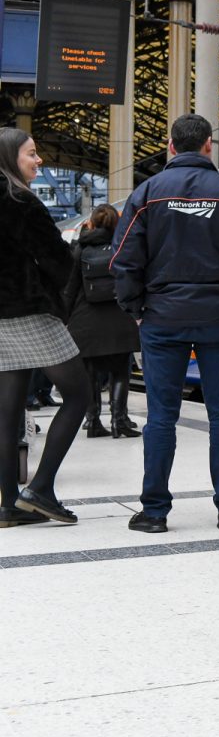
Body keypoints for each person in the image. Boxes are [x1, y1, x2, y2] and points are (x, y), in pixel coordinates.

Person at [111, 114, 219, 534]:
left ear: (170, 146)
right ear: (208, 146)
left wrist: (137, 309)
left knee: (161, 417)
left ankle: (154, 513)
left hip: (161, 320)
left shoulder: (145, 194)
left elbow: (123, 260)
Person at [0, 127, 91, 527]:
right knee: (79, 395)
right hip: (30, 312)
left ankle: (8, 505)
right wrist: (55, 291)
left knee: (7, 415)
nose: (38, 161)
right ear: (9, 157)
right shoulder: (20, 201)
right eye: (31, 154)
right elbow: (58, 260)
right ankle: (41, 488)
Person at [62, 204, 142, 439]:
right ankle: (119, 422)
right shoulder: (123, 246)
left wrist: (64, 317)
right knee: (120, 372)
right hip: (119, 318)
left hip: (86, 320)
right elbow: (134, 281)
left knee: (89, 375)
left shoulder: (80, 248)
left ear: (92, 224)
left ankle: (93, 422)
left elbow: (71, 287)